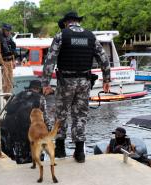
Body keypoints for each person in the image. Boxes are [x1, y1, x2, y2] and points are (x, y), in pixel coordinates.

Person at [42, 11, 111, 163]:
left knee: (61, 114)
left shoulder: (61, 35)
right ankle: (79, 152)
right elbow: (104, 58)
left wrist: (45, 83)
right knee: (80, 116)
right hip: (84, 82)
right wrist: (107, 78)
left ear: (66, 22)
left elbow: (50, 61)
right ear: (77, 21)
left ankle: (60, 151)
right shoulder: (90, 36)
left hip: (66, 82)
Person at [0, 23, 16, 97]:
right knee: (3, 82)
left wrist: (13, 61)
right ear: (3, 29)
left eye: (9, 31)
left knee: (10, 81)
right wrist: (2, 64)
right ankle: (1, 98)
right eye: (7, 30)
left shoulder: (9, 37)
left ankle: (7, 97)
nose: (8, 32)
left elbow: (11, 50)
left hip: (9, 61)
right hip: (3, 62)